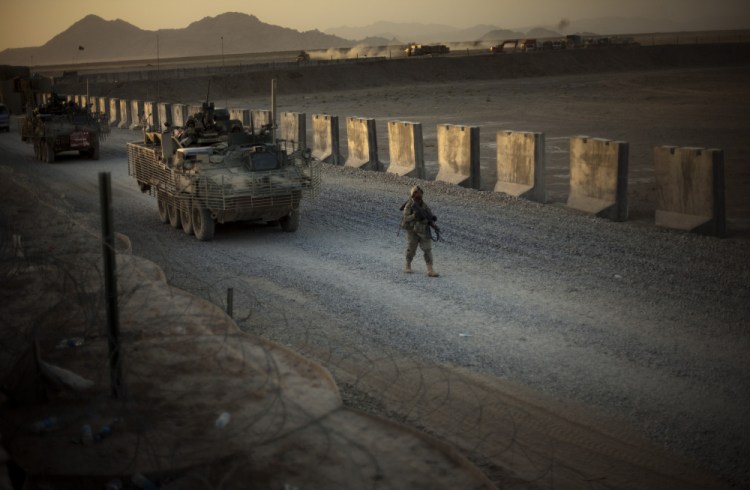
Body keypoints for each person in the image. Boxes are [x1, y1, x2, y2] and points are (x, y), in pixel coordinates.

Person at [400, 185, 439, 277]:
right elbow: (405, 218)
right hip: (412, 231)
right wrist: (414, 216)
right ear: (413, 194)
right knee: (411, 249)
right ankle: (408, 265)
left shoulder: (424, 206)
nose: (419, 195)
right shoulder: (409, 205)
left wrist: (432, 219)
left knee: (427, 250)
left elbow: (429, 216)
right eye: (417, 193)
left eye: (420, 193)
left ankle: (430, 269)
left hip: (424, 231)